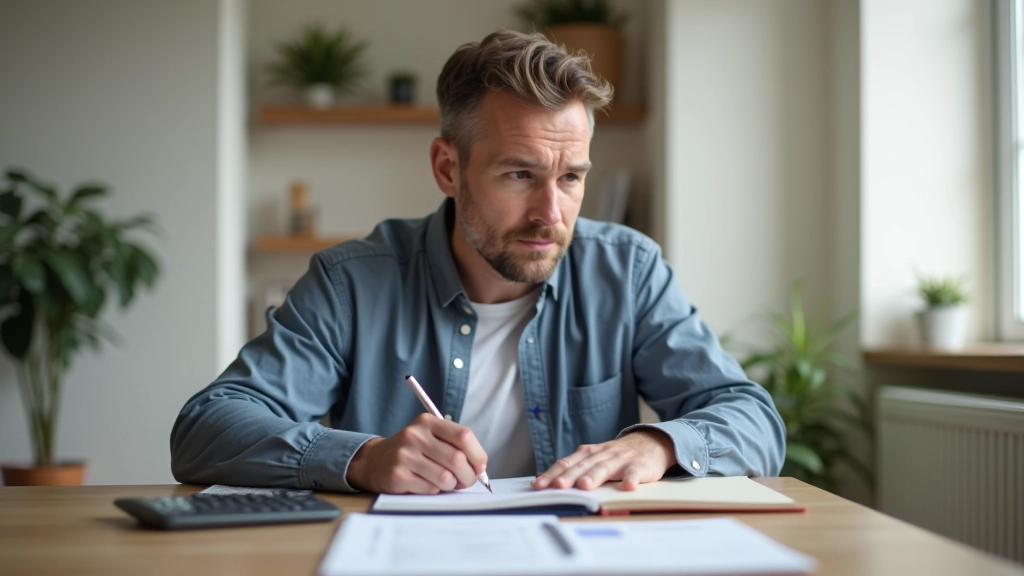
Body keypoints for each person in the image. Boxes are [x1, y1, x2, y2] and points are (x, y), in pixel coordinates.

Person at [170, 30, 785, 495]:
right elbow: (204, 429)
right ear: (447, 168)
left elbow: (755, 421)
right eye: (520, 174)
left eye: (571, 177)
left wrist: (660, 443)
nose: (552, 211)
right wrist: (362, 458)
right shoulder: (353, 281)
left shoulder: (627, 272)